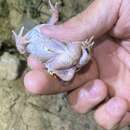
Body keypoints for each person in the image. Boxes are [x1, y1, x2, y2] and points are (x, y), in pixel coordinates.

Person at [23, 0, 130, 129]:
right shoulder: (40, 35)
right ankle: (62, 68)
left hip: (65, 56)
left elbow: (54, 22)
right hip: (65, 57)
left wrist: (84, 50)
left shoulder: (43, 31)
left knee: (67, 69)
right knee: (64, 70)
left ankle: (63, 68)